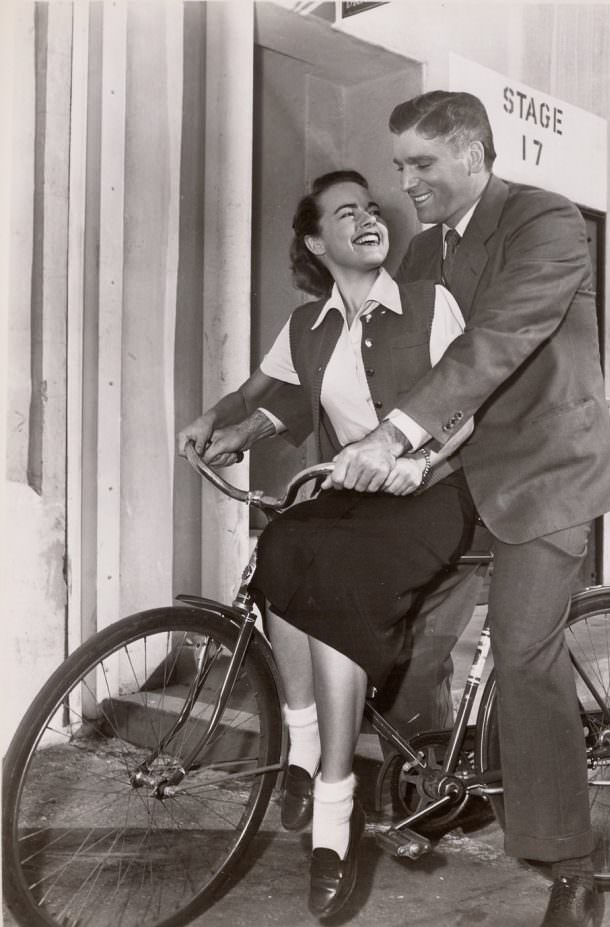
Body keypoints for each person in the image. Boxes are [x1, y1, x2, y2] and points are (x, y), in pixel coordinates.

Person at [309, 93, 610, 927]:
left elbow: (495, 344)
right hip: (457, 472)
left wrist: (398, 437)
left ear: (476, 155)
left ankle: (571, 863)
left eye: (422, 165)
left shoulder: (545, 223)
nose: (403, 183)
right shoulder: (420, 258)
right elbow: (403, 361)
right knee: (404, 633)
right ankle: (448, 788)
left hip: (545, 471)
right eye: (400, 166)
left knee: (522, 653)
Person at [178, 170, 476, 920]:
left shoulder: (428, 303)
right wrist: (213, 423)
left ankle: (335, 813)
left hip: (433, 491)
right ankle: (305, 749)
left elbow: (468, 400)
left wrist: (419, 461)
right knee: (282, 543)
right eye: (349, 212)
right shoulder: (308, 326)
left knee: (337, 577)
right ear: (316, 241)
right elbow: (260, 395)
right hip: (354, 496)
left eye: (373, 208)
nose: (370, 217)